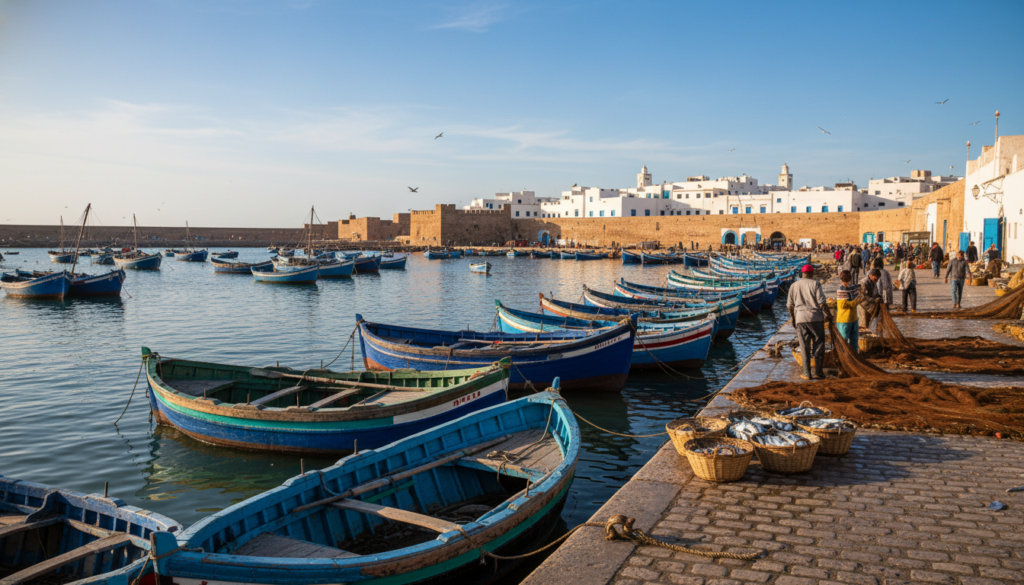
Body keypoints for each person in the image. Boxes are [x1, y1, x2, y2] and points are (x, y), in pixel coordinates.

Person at [787, 264, 831, 380]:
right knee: (819, 345)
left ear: (802, 274)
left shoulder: (794, 285)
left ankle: (806, 373)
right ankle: (818, 372)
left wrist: (793, 318)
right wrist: (829, 315)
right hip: (816, 318)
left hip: (800, 319)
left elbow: (789, 306)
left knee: (804, 346)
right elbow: (822, 303)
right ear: (812, 274)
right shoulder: (815, 284)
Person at [835, 270, 864, 352]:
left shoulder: (850, 288)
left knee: (851, 341)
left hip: (850, 319)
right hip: (845, 320)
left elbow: (845, 304)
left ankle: (852, 356)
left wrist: (857, 299)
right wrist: (857, 300)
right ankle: (847, 356)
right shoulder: (842, 290)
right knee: (846, 341)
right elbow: (843, 305)